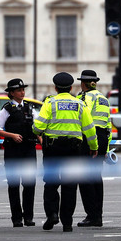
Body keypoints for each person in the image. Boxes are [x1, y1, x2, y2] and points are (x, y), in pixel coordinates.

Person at [33, 72, 98, 232]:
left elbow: (37, 127)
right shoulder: (79, 104)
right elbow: (89, 128)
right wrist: (94, 146)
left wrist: (42, 130)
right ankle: (67, 222)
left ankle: (52, 214)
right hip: (73, 150)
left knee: (51, 184)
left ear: (55, 87)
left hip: (52, 149)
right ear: (70, 87)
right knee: (70, 186)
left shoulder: (50, 103)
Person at [0, 78, 41, 228]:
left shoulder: (30, 108)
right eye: (19, 90)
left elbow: (36, 126)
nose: (22, 92)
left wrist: (40, 138)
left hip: (28, 149)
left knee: (29, 184)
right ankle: (16, 218)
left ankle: (28, 217)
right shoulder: (6, 109)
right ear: (12, 93)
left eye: (23, 90)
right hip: (13, 150)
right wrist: (12, 135)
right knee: (14, 184)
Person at [76, 69, 111, 228]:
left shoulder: (83, 97)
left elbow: (84, 119)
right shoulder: (104, 98)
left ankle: (91, 215)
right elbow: (108, 125)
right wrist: (106, 148)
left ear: (83, 83)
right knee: (96, 178)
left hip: (89, 137)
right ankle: (98, 215)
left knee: (85, 179)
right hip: (102, 137)